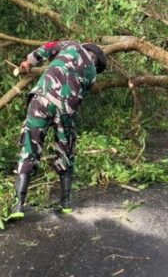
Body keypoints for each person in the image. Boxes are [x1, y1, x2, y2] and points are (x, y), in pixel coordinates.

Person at [11, 40, 107, 218]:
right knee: (66, 149)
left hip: (42, 98)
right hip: (66, 109)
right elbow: (78, 94)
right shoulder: (92, 75)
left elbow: (46, 49)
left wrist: (29, 62)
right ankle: (66, 203)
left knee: (30, 147)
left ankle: (18, 205)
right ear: (97, 64)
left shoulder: (71, 45)